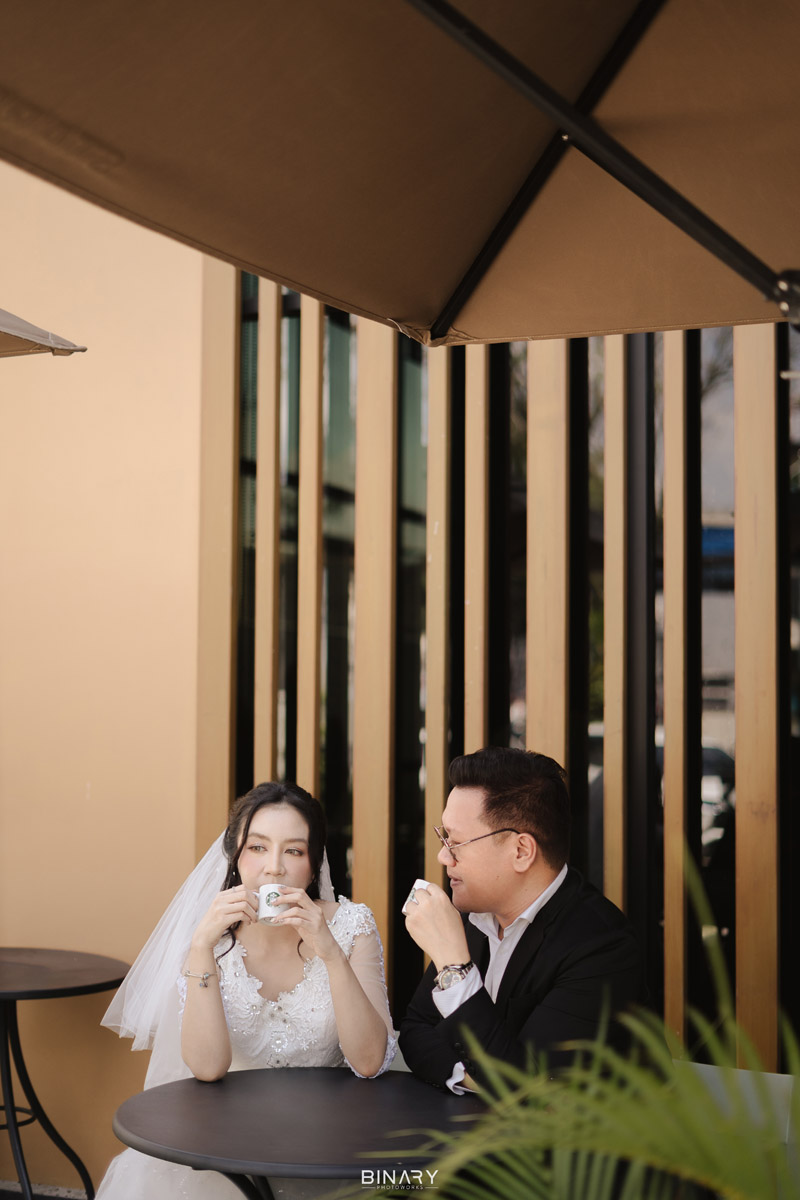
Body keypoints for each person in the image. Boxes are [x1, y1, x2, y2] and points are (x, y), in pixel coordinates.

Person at [97, 781, 396, 1199]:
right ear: (235, 858)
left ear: (314, 866)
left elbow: (369, 1061)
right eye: (257, 847)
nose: (274, 867)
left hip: (327, 1141)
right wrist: (201, 949)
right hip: (224, 1143)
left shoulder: (351, 926)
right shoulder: (206, 933)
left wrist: (329, 951)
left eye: (294, 851)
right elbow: (207, 1067)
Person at [399, 747, 647, 1092]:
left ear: (521, 851)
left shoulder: (600, 945)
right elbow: (415, 1030)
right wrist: (477, 1079)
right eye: (444, 838)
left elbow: (528, 1087)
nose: (443, 856)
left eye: (454, 842)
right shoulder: (476, 915)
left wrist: (455, 967)